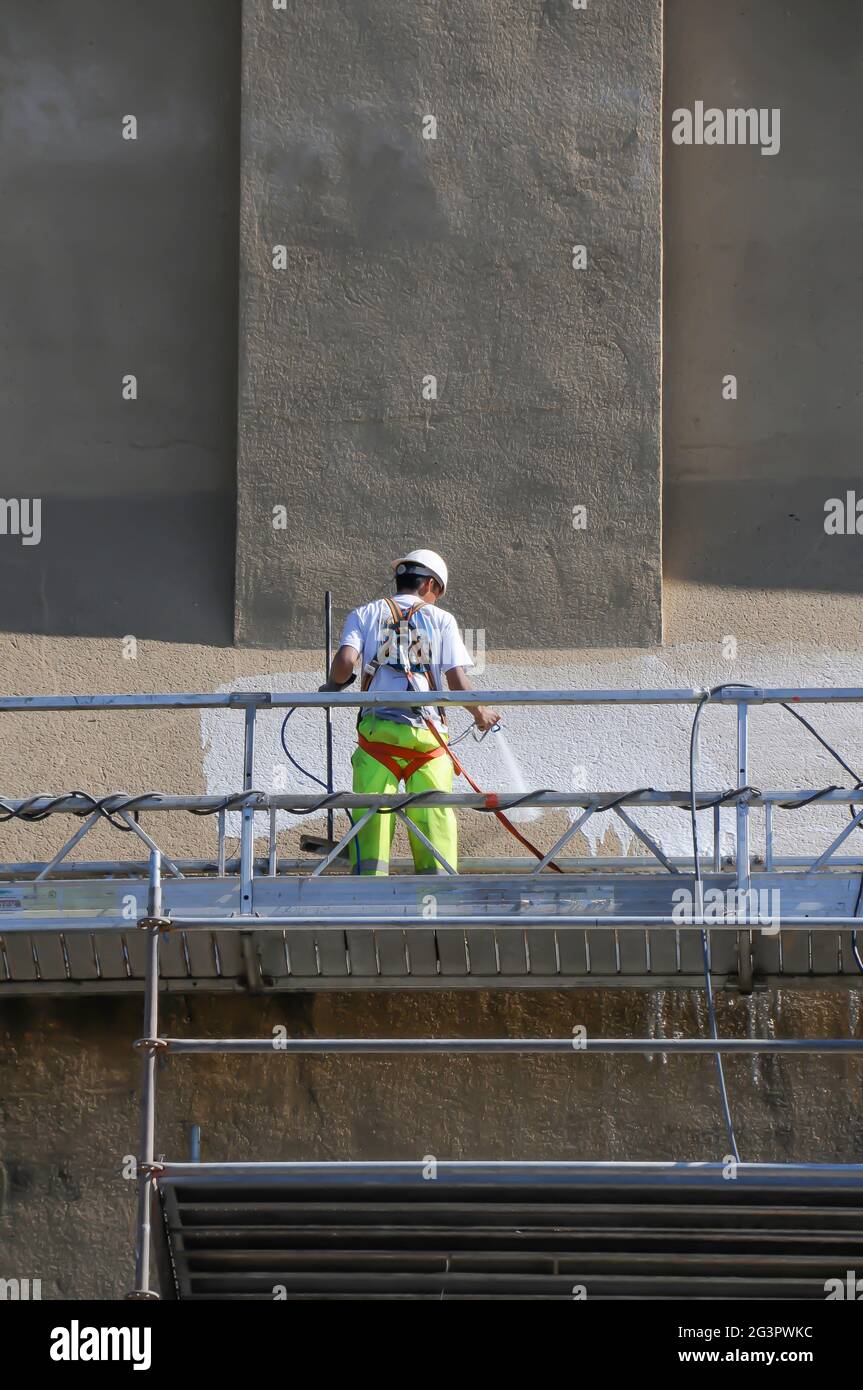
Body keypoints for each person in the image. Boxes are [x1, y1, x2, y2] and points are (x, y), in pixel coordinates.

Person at [321, 549, 499, 875]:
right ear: (429, 584)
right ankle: (437, 898)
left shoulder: (365, 613)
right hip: (427, 740)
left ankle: (368, 899)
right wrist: (480, 714)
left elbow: (345, 663)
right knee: (434, 819)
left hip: (379, 737)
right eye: (438, 593)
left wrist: (335, 684)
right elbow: (457, 681)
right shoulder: (440, 620)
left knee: (371, 817)